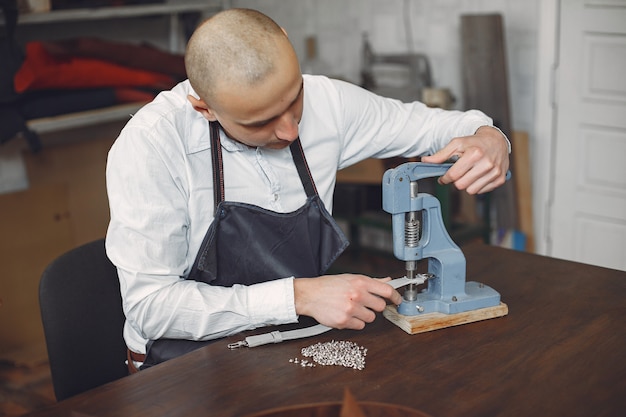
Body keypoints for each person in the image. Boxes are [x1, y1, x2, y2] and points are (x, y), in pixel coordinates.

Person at [105, 8, 510, 370]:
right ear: (204, 108)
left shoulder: (327, 101)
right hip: (183, 364)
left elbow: (433, 125)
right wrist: (298, 297)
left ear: (287, 41)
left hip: (291, 346)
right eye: (260, 122)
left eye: (293, 98)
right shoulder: (152, 145)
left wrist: (490, 137)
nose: (290, 129)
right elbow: (151, 308)